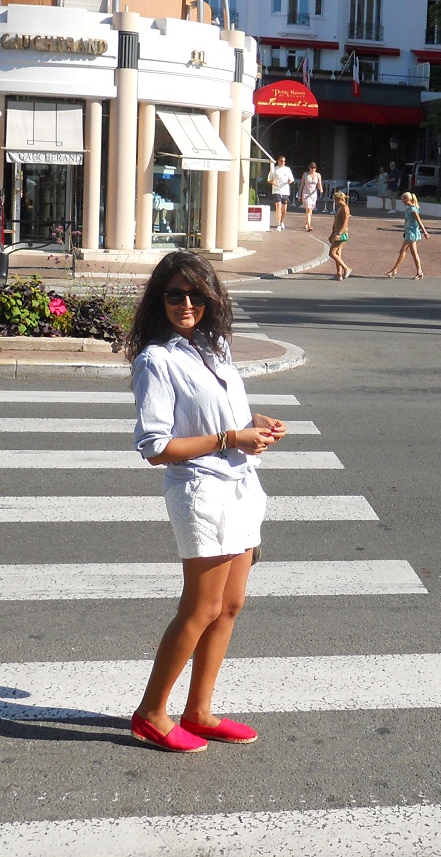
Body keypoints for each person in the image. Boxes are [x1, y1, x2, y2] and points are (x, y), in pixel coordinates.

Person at [127, 251, 287, 753]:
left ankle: (198, 711)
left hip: (240, 485)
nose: (186, 304)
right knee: (201, 607)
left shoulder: (214, 348)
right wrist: (230, 438)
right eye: (175, 294)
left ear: (212, 297)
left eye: (196, 294)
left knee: (230, 605)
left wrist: (256, 424)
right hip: (201, 490)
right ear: (160, 299)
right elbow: (155, 447)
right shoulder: (157, 361)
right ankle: (151, 713)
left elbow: (223, 414)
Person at [386, 191, 428, 278]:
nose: (402, 201)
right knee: (414, 253)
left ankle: (394, 270)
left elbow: (419, 221)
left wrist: (425, 232)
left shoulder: (413, 209)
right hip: (409, 231)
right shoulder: (409, 209)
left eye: (403, 199)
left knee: (402, 251)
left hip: (412, 232)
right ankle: (419, 272)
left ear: (407, 199)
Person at [327, 189, 352, 280]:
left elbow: (345, 222)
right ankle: (339, 274)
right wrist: (332, 233)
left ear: (341, 199)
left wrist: (338, 234)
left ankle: (346, 268)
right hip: (337, 232)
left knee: (332, 253)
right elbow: (336, 223)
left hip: (342, 233)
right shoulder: (340, 208)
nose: (336, 201)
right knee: (338, 253)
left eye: (337, 199)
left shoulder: (345, 208)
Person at [268, 155, 294, 231]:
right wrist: (273, 182)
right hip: (277, 190)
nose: (283, 162)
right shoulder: (274, 169)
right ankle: (279, 224)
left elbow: (291, 179)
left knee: (284, 209)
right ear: (278, 161)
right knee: (278, 207)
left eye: (284, 161)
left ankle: (281, 220)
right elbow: (269, 179)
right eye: (281, 161)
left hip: (285, 191)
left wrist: (290, 181)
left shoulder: (287, 169)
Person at [298, 161, 323, 232]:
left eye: (314, 168)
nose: (313, 169)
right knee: (308, 208)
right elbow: (302, 185)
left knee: (310, 209)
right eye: (312, 168)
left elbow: (319, 184)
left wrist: (321, 189)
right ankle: (309, 225)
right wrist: (299, 195)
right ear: (309, 168)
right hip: (306, 193)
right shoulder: (305, 174)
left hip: (313, 194)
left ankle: (307, 222)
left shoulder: (318, 175)